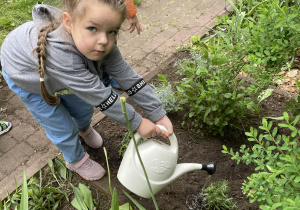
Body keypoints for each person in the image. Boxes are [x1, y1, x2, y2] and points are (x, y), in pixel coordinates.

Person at [0, 0, 173, 181]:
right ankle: (76, 160)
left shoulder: (102, 45)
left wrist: (157, 113)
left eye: (112, 31)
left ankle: (84, 129)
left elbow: (128, 77)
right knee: (60, 125)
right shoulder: (62, 56)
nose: (104, 40)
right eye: (92, 28)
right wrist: (137, 123)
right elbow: (101, 96)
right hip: (29, 78)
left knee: (83, 108)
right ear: (69, 23)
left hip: (65, 74)